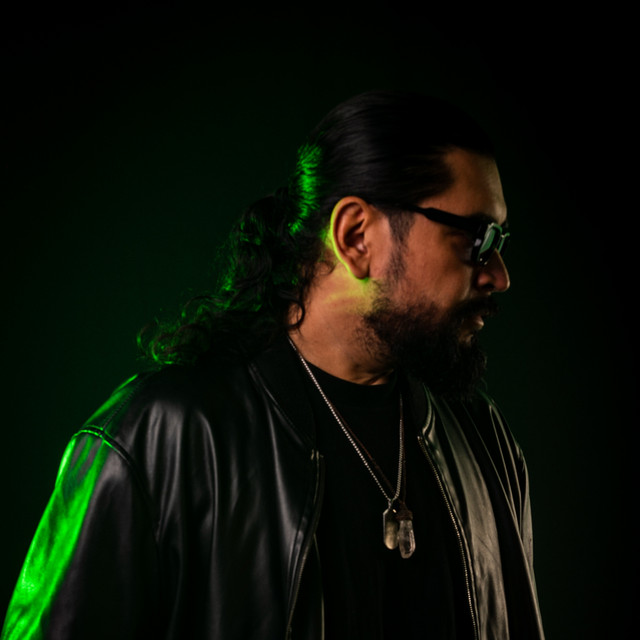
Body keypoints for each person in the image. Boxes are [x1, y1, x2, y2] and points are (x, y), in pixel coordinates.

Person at [1, 90, 545, 639]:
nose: (499, 275)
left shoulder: (485, 443)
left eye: (500, 240)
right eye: (477, 239)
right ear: (356, 236)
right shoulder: (163, 437)